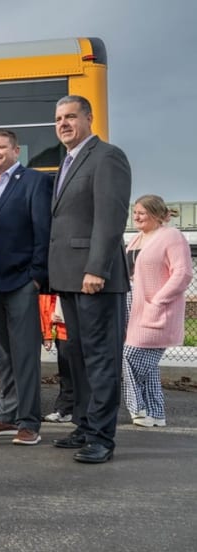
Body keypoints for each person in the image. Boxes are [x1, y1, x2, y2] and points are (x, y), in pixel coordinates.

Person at [48, 95, 132, 464]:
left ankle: (101, 436)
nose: (64, 123)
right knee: (78, 358)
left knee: (100, 358)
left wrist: (97, 268)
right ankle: (83, 424)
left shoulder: (107, 157)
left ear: (89, 118)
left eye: (71, 117)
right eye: (58, 118)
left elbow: (110, 217)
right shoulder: (66, 162)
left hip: (93, 277)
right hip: (69, 277)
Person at [0, 129, 53, 446]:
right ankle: (5, 416)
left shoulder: (34, 182)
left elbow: (43, 231)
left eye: (1, 147)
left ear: (16, 151)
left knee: (24, 354)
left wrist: (36, 276)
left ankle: (29, 422)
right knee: (2, 354)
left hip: (20, 281)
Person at [122, 195, 193, 428]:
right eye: (135, 212)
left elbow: (182, 274)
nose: (136, 216)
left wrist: (158, 301)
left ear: (155, 214)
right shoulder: (136, 238)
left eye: (142, 212)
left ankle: (138, 409)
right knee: (148, 366)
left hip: (155, 308)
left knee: (129, 357)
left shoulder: (171, 237)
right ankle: (156, 413)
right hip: (131, 305)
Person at [40, 294, 73, 423]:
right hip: (62, 330)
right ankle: (65, 409)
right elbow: (46, 303)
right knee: (67, 374)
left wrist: (47, 333)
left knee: (70, 374)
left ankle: (66, 409)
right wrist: (47, 333)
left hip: (69, 329)